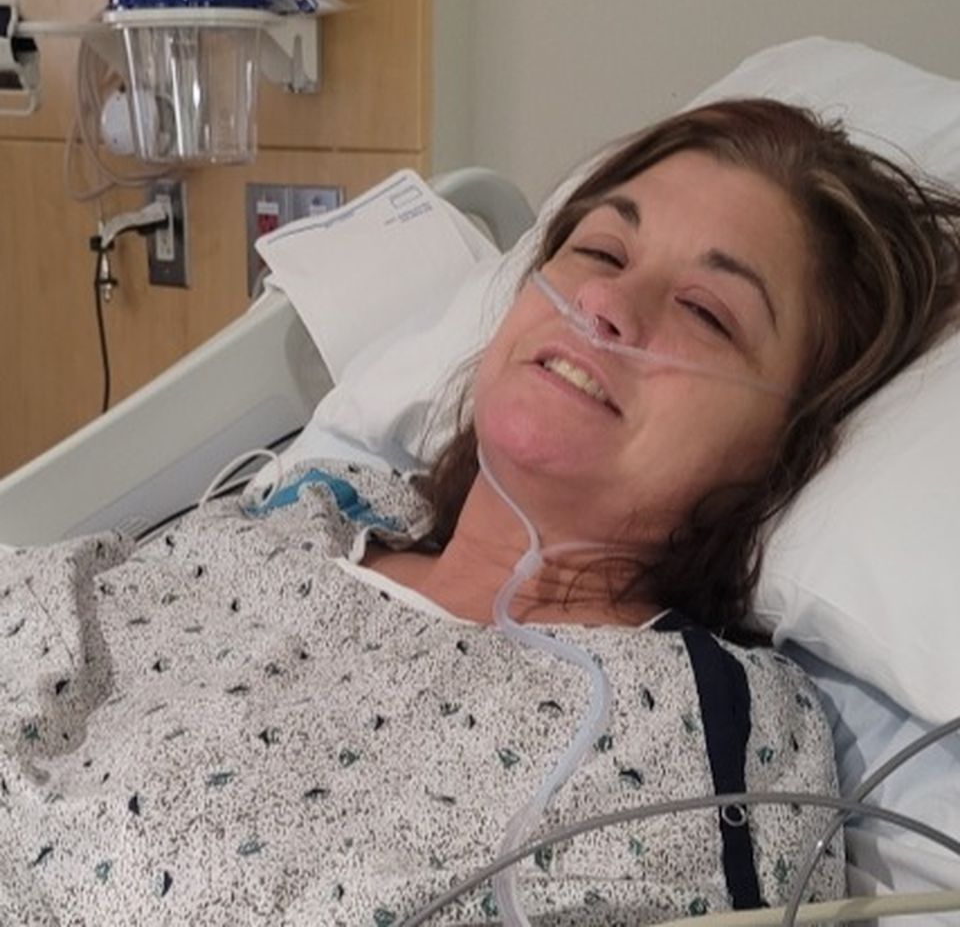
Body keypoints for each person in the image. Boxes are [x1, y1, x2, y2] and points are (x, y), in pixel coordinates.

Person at [1, 99, 957, 926]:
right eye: (599, 249)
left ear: (786, 446)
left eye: (707, 311)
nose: (606, 301)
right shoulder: (296, 518)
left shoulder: (709, 732)